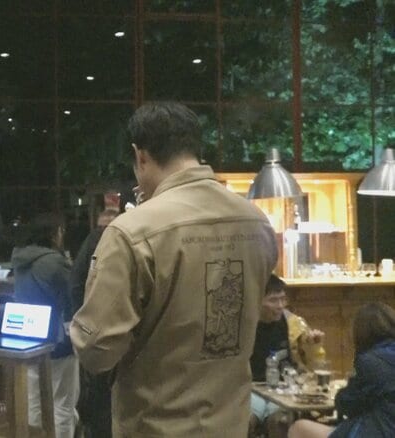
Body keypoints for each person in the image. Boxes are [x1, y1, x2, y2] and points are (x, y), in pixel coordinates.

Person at [70, 101, 279, 437]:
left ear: (140, 156)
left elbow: (97, 351)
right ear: (195, 147)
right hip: (232, 424)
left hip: (157, 426)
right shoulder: (257, 222)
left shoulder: (132, 232)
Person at [11, 213, 79, 438]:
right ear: (53, 234)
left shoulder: (20, 260)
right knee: (62, 404)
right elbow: (72, 297)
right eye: (61, 231)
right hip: (57, 339)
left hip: (27, 336)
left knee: (34, 401)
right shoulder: (55, 262)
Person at [288, 302, 395, 438]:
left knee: (299, 428)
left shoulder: (369, 361)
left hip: (381, 430)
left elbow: (347, 403)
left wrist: (343, 393)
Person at [249, 274, 325, 438]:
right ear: (256, 301)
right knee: (247, 421)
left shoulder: (293, 323)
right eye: (273, 300)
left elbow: (316, 366)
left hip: (285, 388)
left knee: (280, 421)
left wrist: (313, 346)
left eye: (283, 299)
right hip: (251, 389)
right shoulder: (244, 326)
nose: (280, 306)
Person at [70, 207, 119, 438]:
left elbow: (75, 284)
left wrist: (81, 324)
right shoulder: (121, 245)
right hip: (117, 329)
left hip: (95, 330)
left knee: (97, 390)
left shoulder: (90, 245)